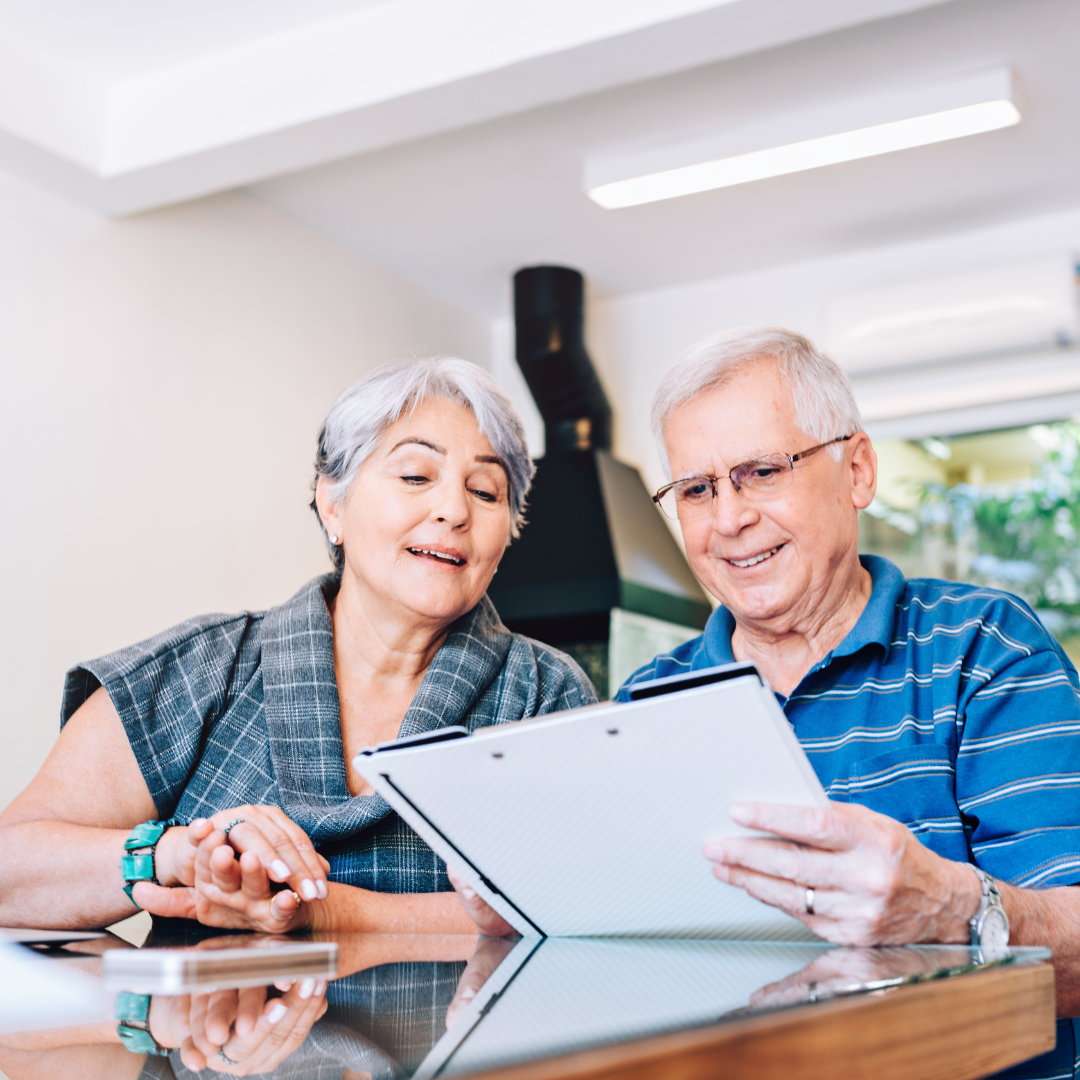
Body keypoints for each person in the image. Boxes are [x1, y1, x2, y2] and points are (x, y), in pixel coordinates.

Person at [455, 327, 1080, 1073]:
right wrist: (531, 916)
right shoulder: (649, 699)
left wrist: (956, 909)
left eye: (759, 471)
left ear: (857, 470)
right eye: (696, 489)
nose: (728, 521)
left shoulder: (987, 649)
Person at [0, 357, 596, 936]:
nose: (453, 510)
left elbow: (582, 905)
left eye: (486, 492)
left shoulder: (545, 695)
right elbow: (12, 865)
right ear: (333, 503)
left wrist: (328, 911)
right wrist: (176, 853)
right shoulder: (206, 666)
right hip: (212, 1036)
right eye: (416, 476)